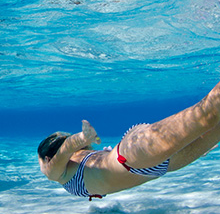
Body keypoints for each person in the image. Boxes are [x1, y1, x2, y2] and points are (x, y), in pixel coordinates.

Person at [38, 80, 220, 200]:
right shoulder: (64, 168)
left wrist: (81, 138)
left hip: (130, 156)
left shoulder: (54, 171)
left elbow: (65, 149)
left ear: (46, 158)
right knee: (214, 122)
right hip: (163, 166)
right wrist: (81, 139)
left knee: (207, 115)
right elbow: (65, 149)